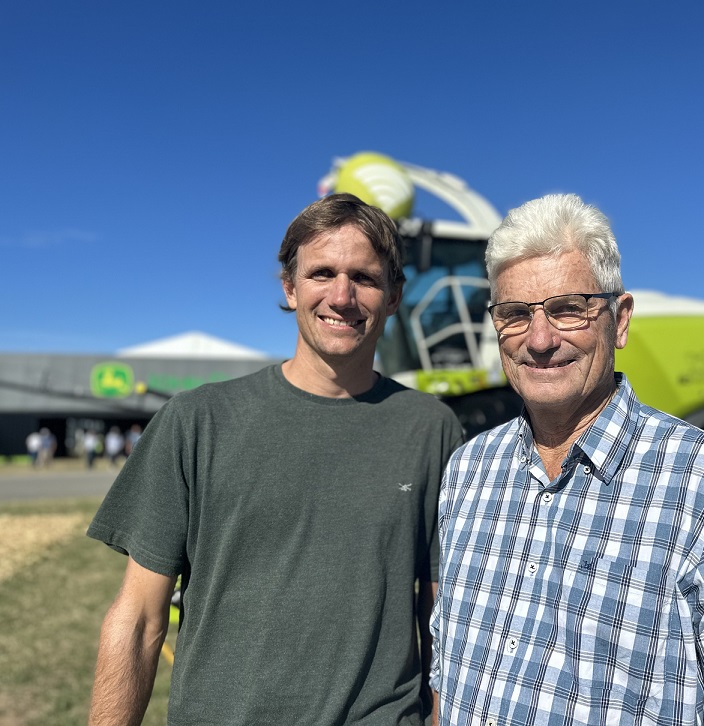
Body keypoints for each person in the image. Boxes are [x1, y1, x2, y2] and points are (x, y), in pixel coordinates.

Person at [87, 193, 464, 725]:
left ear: (395, 296)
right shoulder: (197, 421)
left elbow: (441, 614)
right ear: (289, 287)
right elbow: (140, 619)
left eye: (365, 277)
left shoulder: (432, 429)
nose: (342, 296)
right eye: (321, 273)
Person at [430, 194, 704, 724]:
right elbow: (448, 671)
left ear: (620, 320)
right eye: (515, 315)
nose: (539, 340)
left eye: (567, 309)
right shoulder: (467, 472)